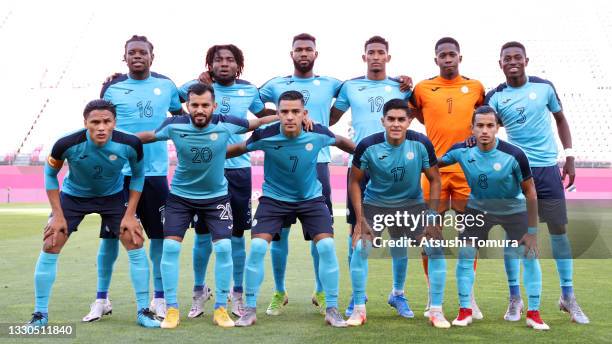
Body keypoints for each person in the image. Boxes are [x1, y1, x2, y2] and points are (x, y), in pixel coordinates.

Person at [136, 82, 278, 328]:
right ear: (187, 106)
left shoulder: (227, 122)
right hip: (180, 198)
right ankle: (171, 309)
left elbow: (256, 123)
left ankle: (221, 308)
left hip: (216, 199)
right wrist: (112, 137)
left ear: (214, 106)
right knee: (170, 248)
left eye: (204, 105)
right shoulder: (175, 125)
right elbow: (147, 136)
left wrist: (285, 115)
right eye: (194, 105)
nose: (200, 110)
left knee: (224, 248)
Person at [227, 91, 355, 328]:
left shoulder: (317, 133)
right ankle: (250, 310)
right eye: (284, 111)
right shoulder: (265, 134)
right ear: (277, 113)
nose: (289, 116)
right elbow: (239, 148)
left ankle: (332, 309)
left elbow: (342, 142)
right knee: (256, 247)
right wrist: (209, 156)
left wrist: (368, 155)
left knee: (326, 246)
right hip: (274, 200)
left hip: (311, 199)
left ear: (304, 113)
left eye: (295, 111)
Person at [28, 99, 161, 328]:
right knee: (51, 242)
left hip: (112, 197)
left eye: (106, 121)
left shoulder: (130, 143)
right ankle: (40, 314)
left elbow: (138, 176)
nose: (101, 127)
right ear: (85, 123)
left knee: (135, 240)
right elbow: (50, 175)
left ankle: (143, 311)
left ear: (114, 122)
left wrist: (130, 214)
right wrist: (58, 215)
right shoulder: (66, 143)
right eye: (95, 122)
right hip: (73, 197)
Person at [485, 41, 588, 324]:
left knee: (559, 232)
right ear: (500, 64)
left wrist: (569, 156)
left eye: (518, 57)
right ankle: (515, 298)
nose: (513, 62)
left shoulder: (544, 87)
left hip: (547, 171)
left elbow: (561, 119)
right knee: (514, 236)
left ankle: (567, 296)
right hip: (516, 172)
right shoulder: (494, 97)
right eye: (507, 58)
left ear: (526, 60)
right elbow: (486, 126)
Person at [84, 35, 183, 322]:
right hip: (118, 176)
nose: (137, 56)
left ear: (153, 56)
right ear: (124, 57)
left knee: (159, 238)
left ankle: (160, 297)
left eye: (143, 52)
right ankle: (102, 299)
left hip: (154, 175)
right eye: (132, 52)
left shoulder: (166, 86)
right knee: (110, 238)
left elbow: (181, 115)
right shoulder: (113, 88)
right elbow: (100, 121)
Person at [178, 44, 274, 318]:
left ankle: (237, 293)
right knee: (202, 235)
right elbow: (173, 101)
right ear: (209, 64)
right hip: (204, 171)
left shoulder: (249, 90)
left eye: (229, 60)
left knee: (236, 236)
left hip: (238, 171)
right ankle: (199, 291)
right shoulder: (199, 88)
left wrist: (290, 116)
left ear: (238, 65)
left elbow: (261, 116)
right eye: (217, 59)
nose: (223, 64)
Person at [438, 105, 549, 330]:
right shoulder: (461, 150)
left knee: (530, 256)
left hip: (513, 210)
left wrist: (533, 232)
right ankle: (465, 310)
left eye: (490, 125)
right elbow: (432, 163)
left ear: (498, 127)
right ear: (472, 128)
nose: (485, 130)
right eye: (480, 126)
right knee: (466, 255)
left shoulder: (515, 154)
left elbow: (530, 191)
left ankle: (534, 314)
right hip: (478, 209)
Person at [329, 35, 413, 317]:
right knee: (357, 233)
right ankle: (358, 295)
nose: (376, 56)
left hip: (397, 171)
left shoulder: (401, 87)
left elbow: (418, 116)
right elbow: (329, 118)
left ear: (388, 57)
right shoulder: (350, 87)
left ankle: (398, 294)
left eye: (381, 52)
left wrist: (410, 86)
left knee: (400, 236)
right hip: (361, 168)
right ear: (363, 56)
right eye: (371, 52)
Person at [348, 99, 448, 327]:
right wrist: (360, 217)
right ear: (382, 121)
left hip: (412, 204)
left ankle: (435, 310)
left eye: (401, 119)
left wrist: (432, 216)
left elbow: (435, 179)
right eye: (391, 119)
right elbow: (354, 181)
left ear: (409, 121)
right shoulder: (367, 145)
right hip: (376, 204)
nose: (396, 124)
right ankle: (358, 310)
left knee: (435, 247)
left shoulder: (421, 143)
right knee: (361, 247)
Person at [410, 37, 485, 319]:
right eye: (443, 55)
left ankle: (469, 298)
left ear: (460, 57)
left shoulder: (476, 88)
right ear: (436, 59)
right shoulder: (423, 88)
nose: (448, 59)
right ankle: (433, 296)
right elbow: (412, 113)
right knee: (431, 235)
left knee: (471, 236)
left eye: (452, 54)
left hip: (468, 172)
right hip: (434, 171)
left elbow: (486, 117)